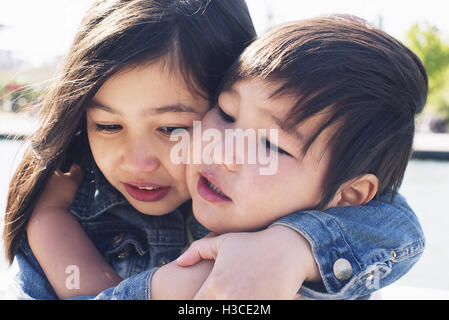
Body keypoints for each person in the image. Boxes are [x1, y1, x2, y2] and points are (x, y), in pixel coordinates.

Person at [4, 3, 424, 301]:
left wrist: (292, 248)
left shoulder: (320, 221)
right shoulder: (77, 201)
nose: (137, 163)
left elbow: (394, 223)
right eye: (108, 125)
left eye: (172, 128)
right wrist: (48, 220)